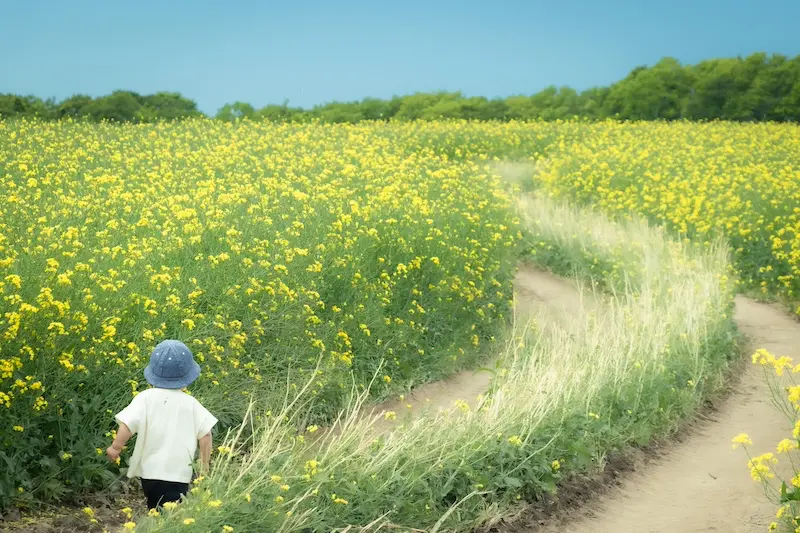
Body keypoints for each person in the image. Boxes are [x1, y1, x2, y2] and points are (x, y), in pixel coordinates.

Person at [106, 339, 218, 510]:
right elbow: (206, 434)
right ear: (188, 378)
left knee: (155, 508)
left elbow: (127, 425)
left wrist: (116, 447)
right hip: (179, 475)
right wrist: (204, 464)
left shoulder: (144, 398)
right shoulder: (191, 404)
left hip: (150, 473)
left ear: (152, 375)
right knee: (171, 514)